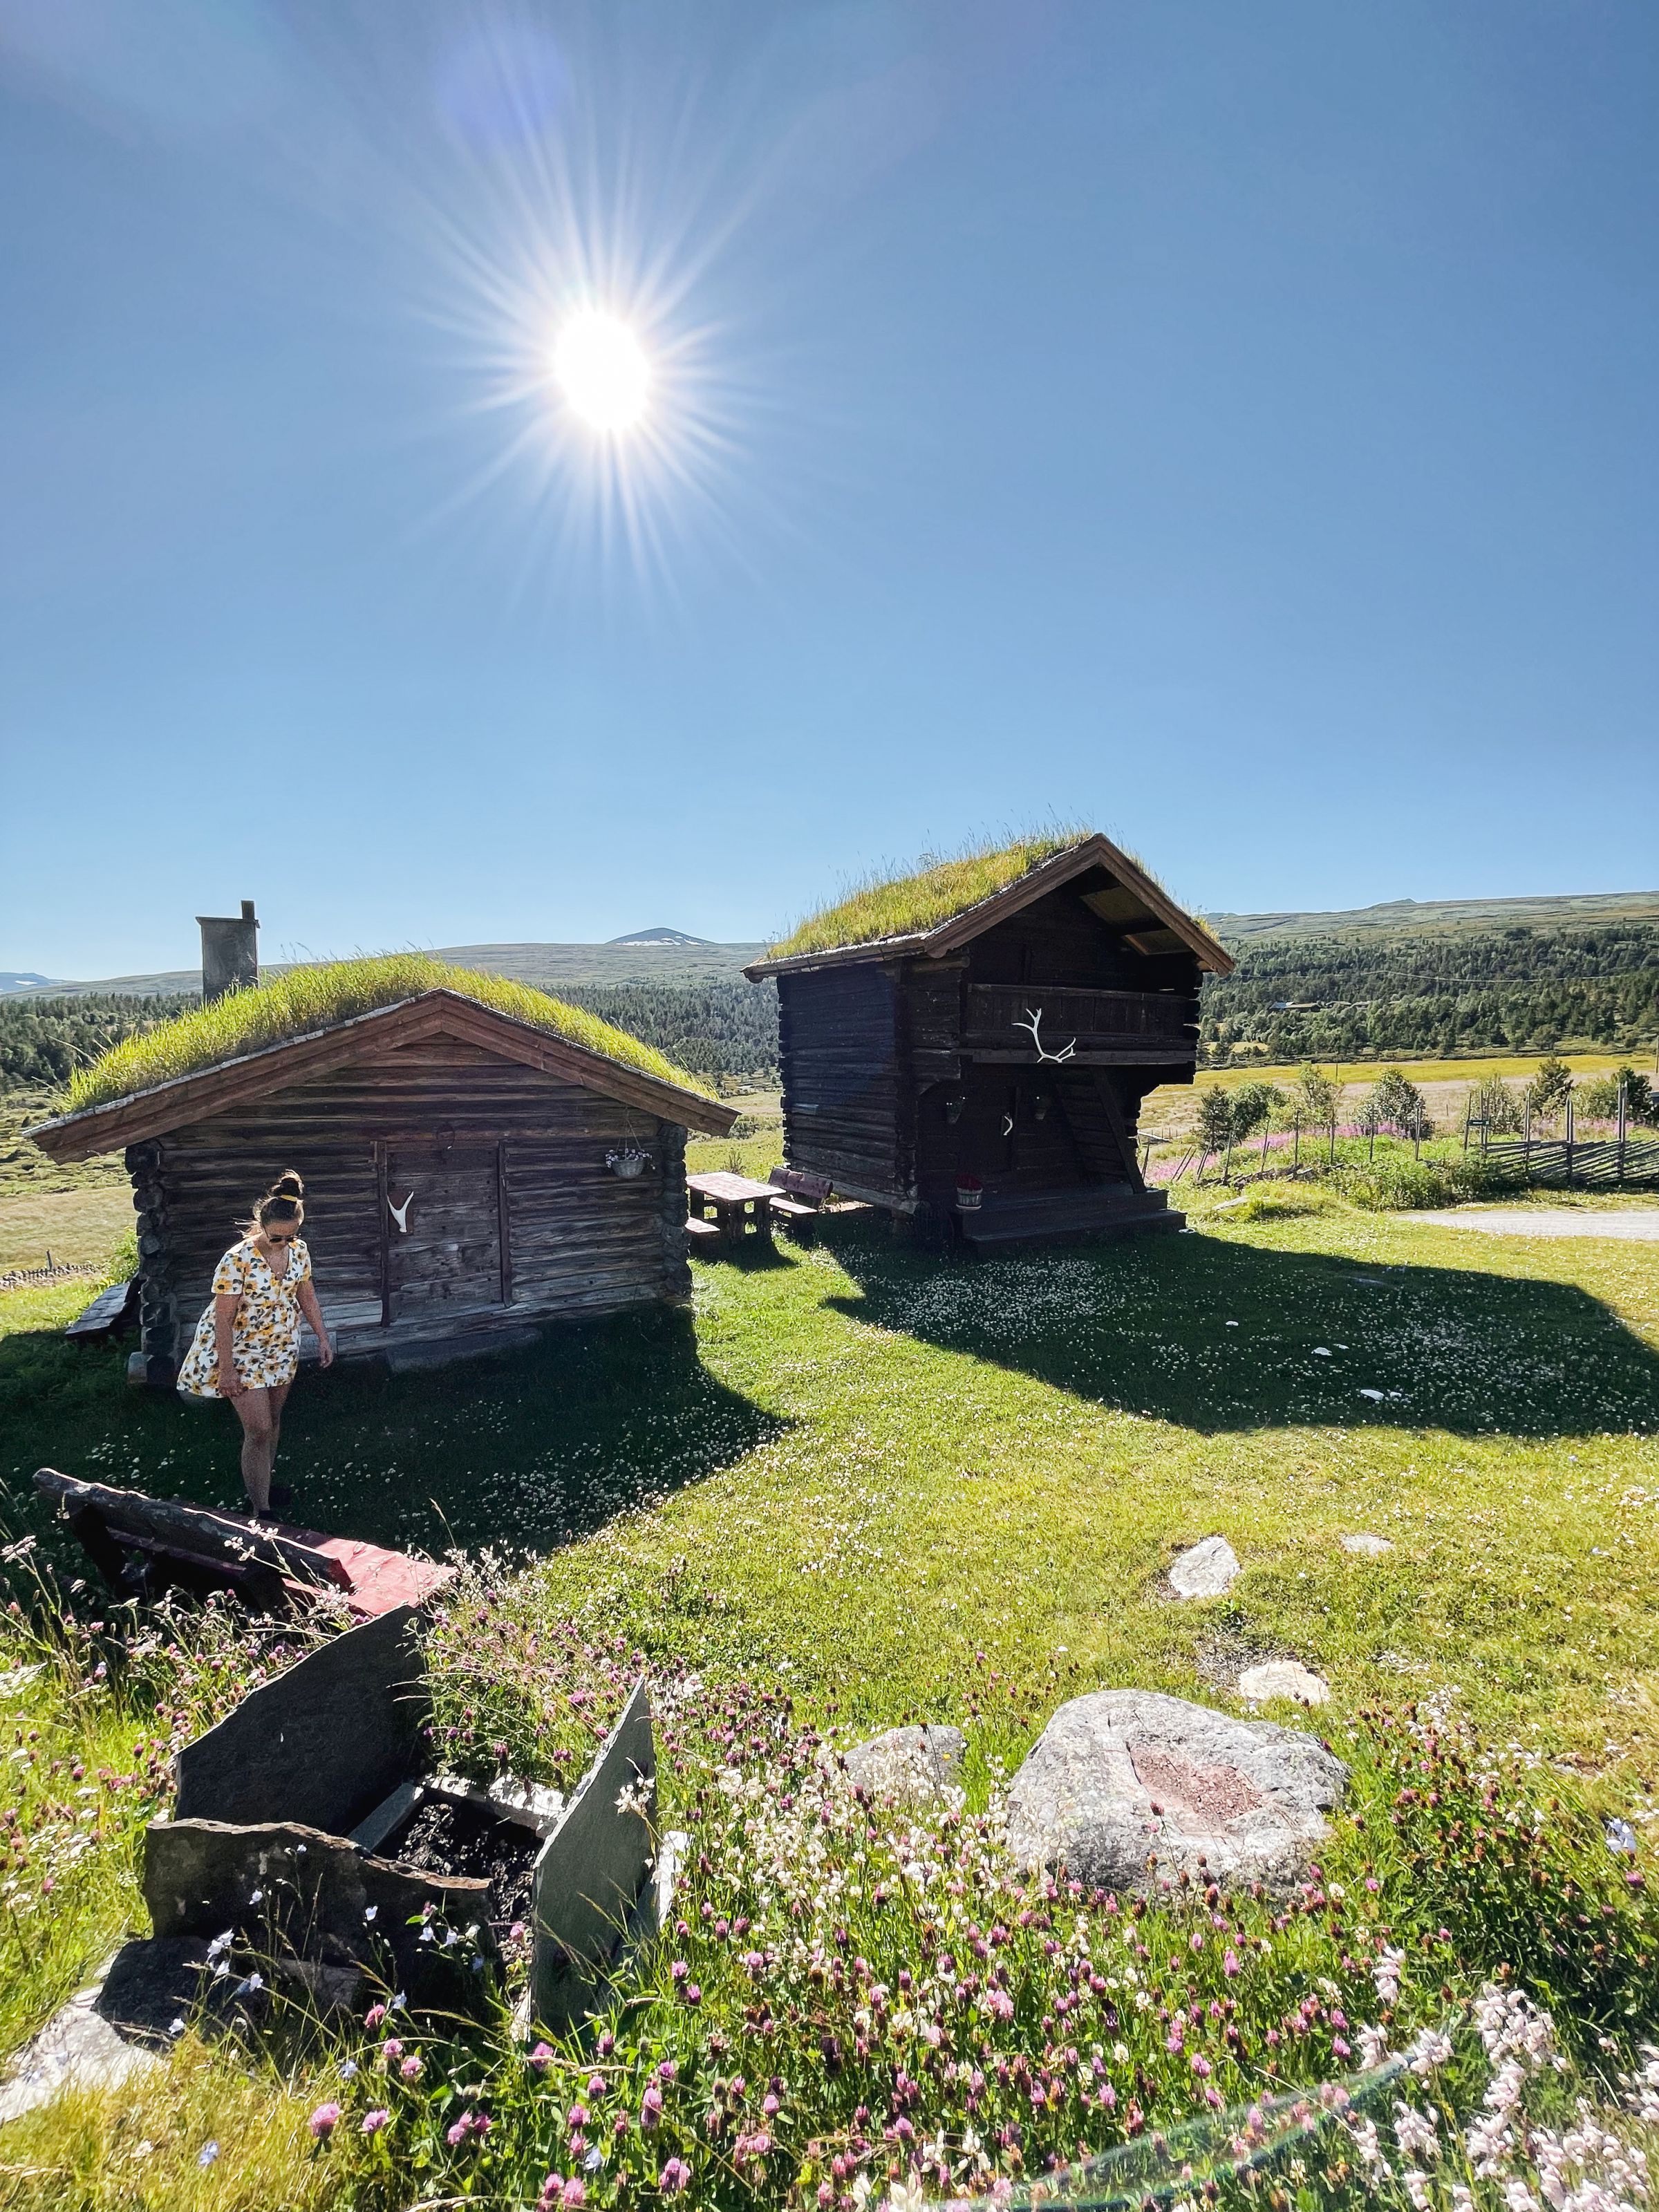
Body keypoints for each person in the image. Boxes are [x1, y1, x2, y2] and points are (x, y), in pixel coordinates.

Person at [176, 1171, 332, 1517]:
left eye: (290, 1238)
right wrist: (226, 1369)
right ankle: (260, 1509)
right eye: (276, 1238)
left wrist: (322, 1336)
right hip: (240, 1348)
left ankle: (263, 1485)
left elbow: (307, 1295)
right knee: (258, 1428)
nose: (283, 1244)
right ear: (262, 1225)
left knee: (273, 1422)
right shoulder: (238, 1259)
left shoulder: (299, 1251)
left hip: (281, 1345)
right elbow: (223, 1318)